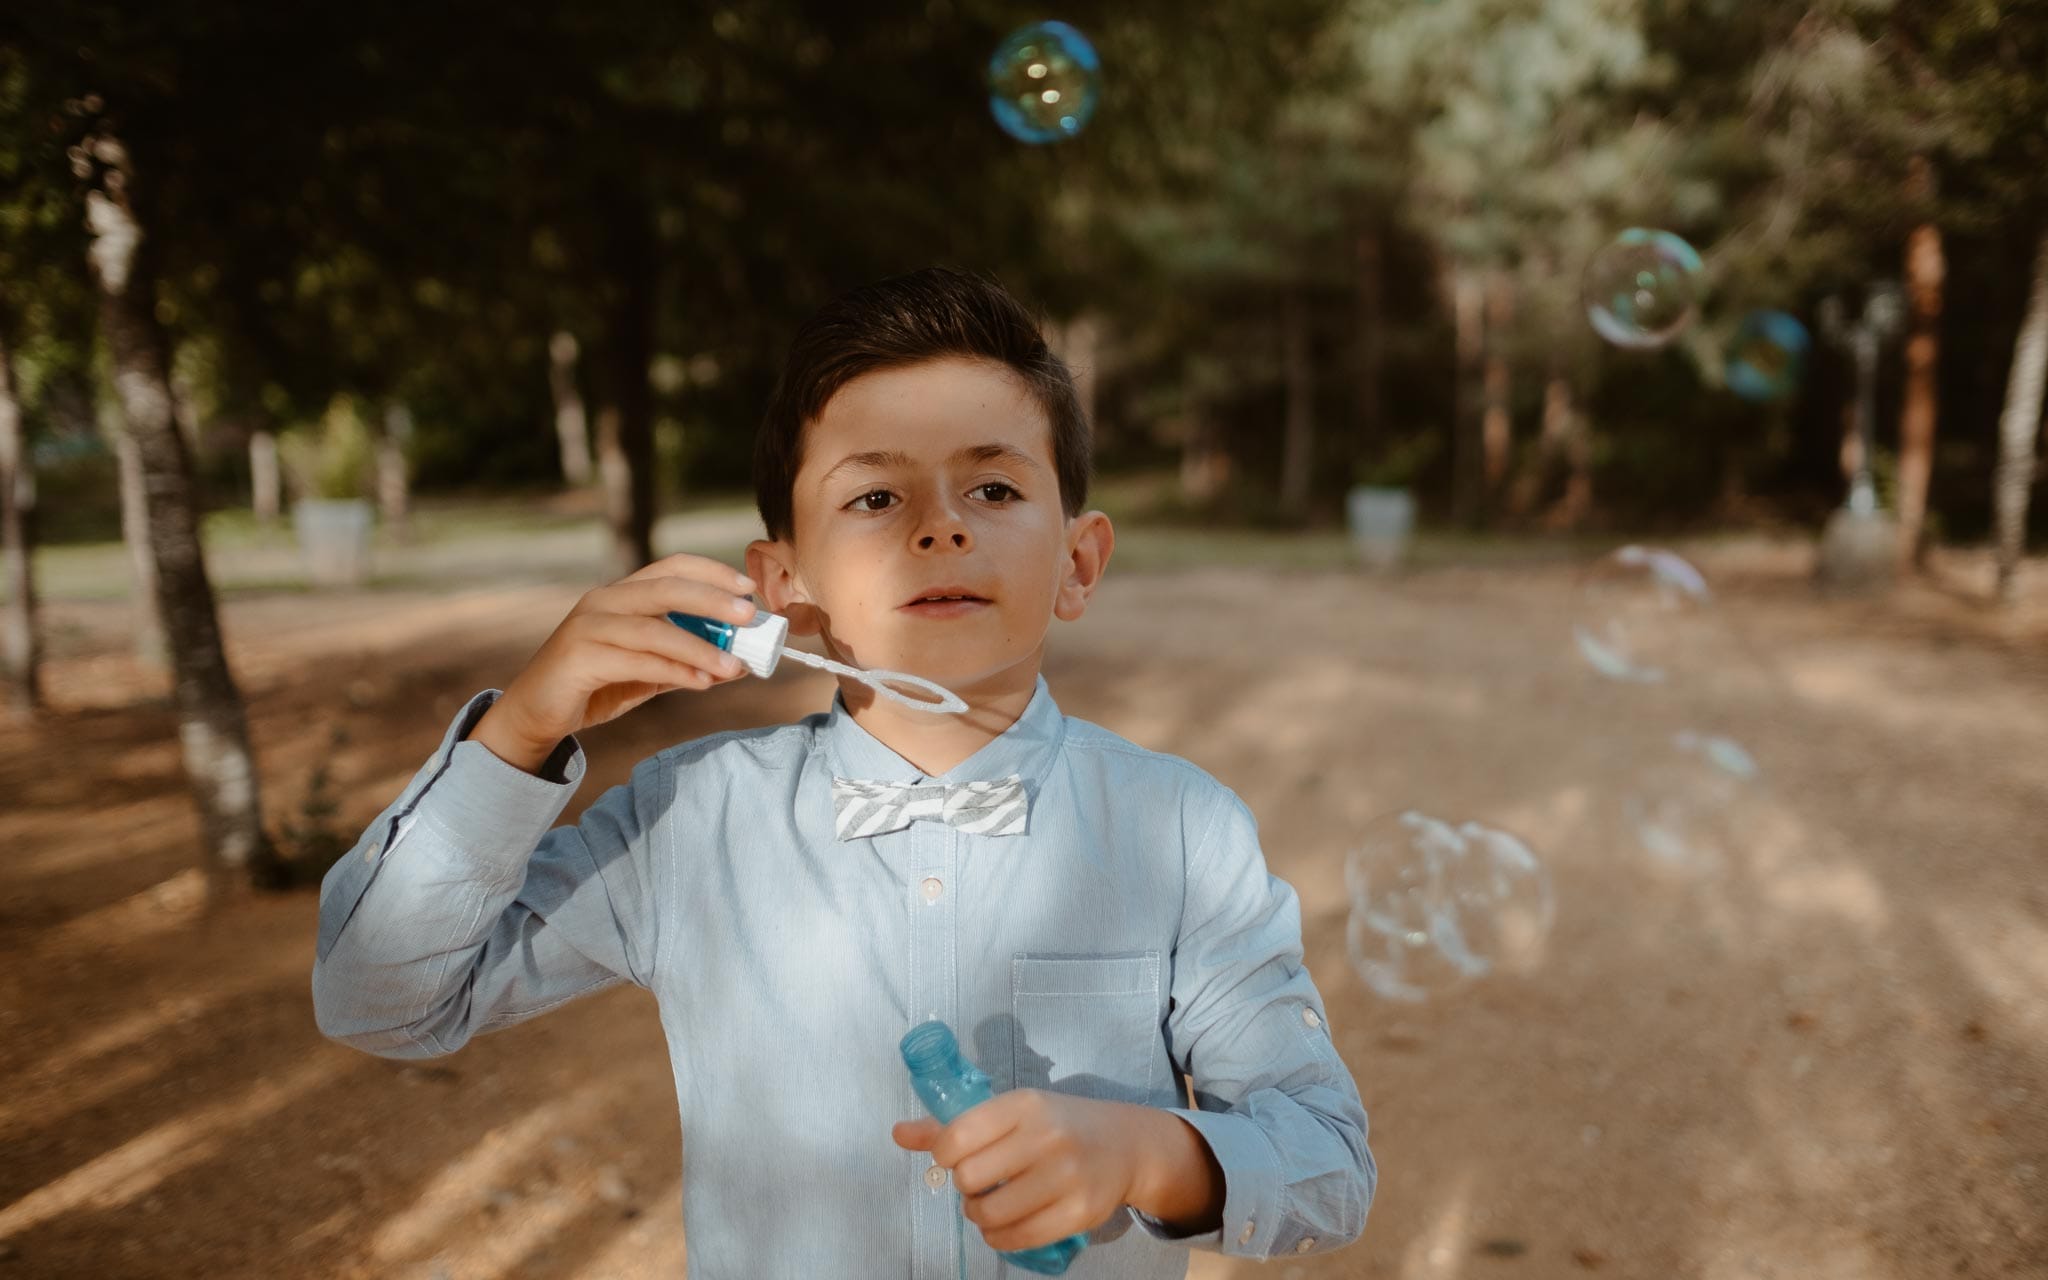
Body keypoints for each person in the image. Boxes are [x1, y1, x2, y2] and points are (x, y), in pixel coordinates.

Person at [311, 267, 1374, 1277]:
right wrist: (524, 727)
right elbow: (383, 998)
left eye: (993, 485)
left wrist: (1144, 1151)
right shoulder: (690, 819)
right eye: (874, 499)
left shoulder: (1180, 827)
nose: (939, 524)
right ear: (785, 582)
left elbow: (1325, 1157)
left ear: (1077, 562)